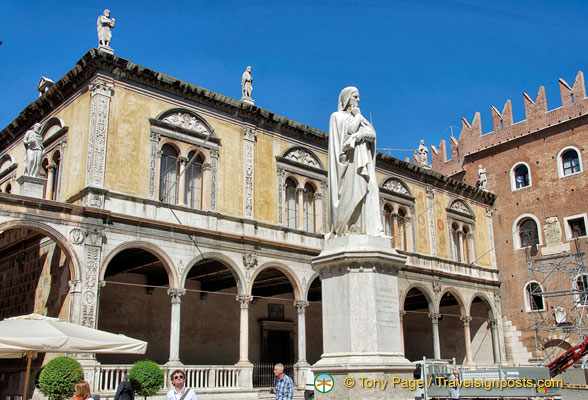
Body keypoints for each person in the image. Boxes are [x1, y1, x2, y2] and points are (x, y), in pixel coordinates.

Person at [327, 86, 384, 238]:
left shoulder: (360, 117)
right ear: (347, 98)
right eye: (355, 97)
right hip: (349, 164)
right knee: (352, 192)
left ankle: (367, 228)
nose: (358, 100)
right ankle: (349, 227)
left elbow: (372, 134)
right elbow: (349, 131)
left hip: (362, 160)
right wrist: (357, 120)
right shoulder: (337, 117)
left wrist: (361, 134)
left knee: (370, 189)